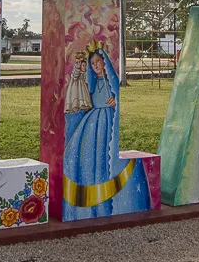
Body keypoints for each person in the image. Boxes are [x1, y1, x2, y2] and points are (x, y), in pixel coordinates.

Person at [63, 44, 148, 219]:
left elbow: (116, 95)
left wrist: (115, 103)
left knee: (103, 153)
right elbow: (77, 79)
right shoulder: (92, 83)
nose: (95, 65)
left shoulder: (110, 82)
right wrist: (79, 68)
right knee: (83, 152)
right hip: (92, 121)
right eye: (92, 63)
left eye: (98, 61)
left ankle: (103, 197)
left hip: (106, 118)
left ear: (104, 62)